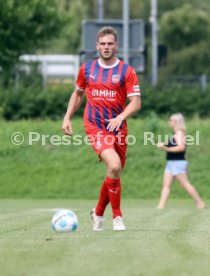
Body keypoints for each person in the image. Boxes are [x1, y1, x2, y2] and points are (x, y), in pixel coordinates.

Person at [62, 26, 141, 231]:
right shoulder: (87, 70)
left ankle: (97, 213)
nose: (106, 47)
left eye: (110, 44)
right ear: (97, 46)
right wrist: (67, 117)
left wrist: (121, 116)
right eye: (102, 44)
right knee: (114, 165)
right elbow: (78, 94)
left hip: (118, 128)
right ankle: (117, 218)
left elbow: (136, 102)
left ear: (117, 46)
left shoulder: (127, 71)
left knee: (114, 171)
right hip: (95, 126)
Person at [156, 113, 205, 209]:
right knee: (166, 185)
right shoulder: (175, 133)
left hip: (177, 162)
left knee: (185, 184)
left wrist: (165, 148)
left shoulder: (179, 133)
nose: (169, 122)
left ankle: (200, 203)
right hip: (171, 162)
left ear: (175, 121)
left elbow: (181, 147)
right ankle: (160, 206)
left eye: (170, 120)